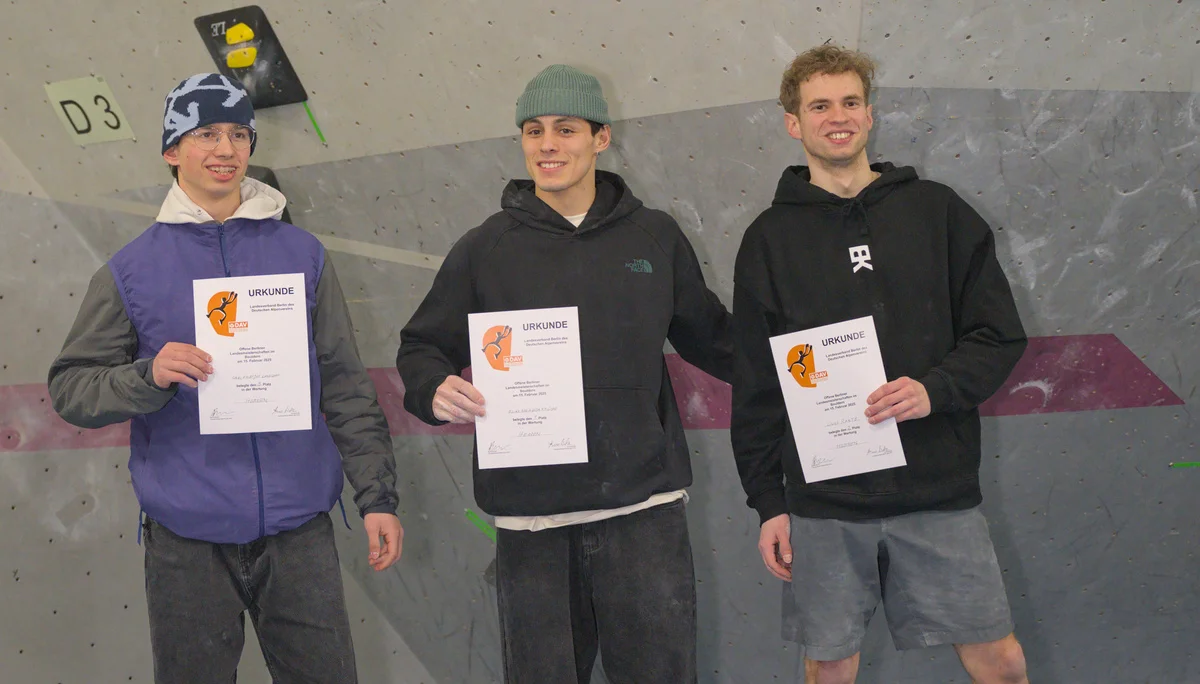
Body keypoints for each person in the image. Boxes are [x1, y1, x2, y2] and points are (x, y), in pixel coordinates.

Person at [47, 72, 402, 683]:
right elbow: (71, 389)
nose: (226, 148)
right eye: (205, 132)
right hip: (187, 538)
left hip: (299, 531)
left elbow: (342, 381)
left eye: (239, 133)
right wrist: (147, 375)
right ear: (172, 150)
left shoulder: (303, 254)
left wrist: (377, 497)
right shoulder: (131, 269)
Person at [395, 64, 733, 683]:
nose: (548, 145)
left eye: (566, 129)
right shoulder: (485, 247)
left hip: (643, 513)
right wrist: (432, 387)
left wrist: (813, 361)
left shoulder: (654, 237)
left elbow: (717, 340)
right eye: (534, 130)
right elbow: (421, 347)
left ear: (601, 139)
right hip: (533, 525)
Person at [730, 45, 1031, 684]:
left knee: (1000, 664)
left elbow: (998, 334)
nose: (836, 117)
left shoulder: (939, 212)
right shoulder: (767, 241)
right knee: (830, 667)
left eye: (849, 103)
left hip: (938, 489)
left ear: (868, 115)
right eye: (819, 106)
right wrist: (768, 503)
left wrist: (934, 390)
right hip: (825, 503)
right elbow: (758, 386)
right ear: (793, 122)